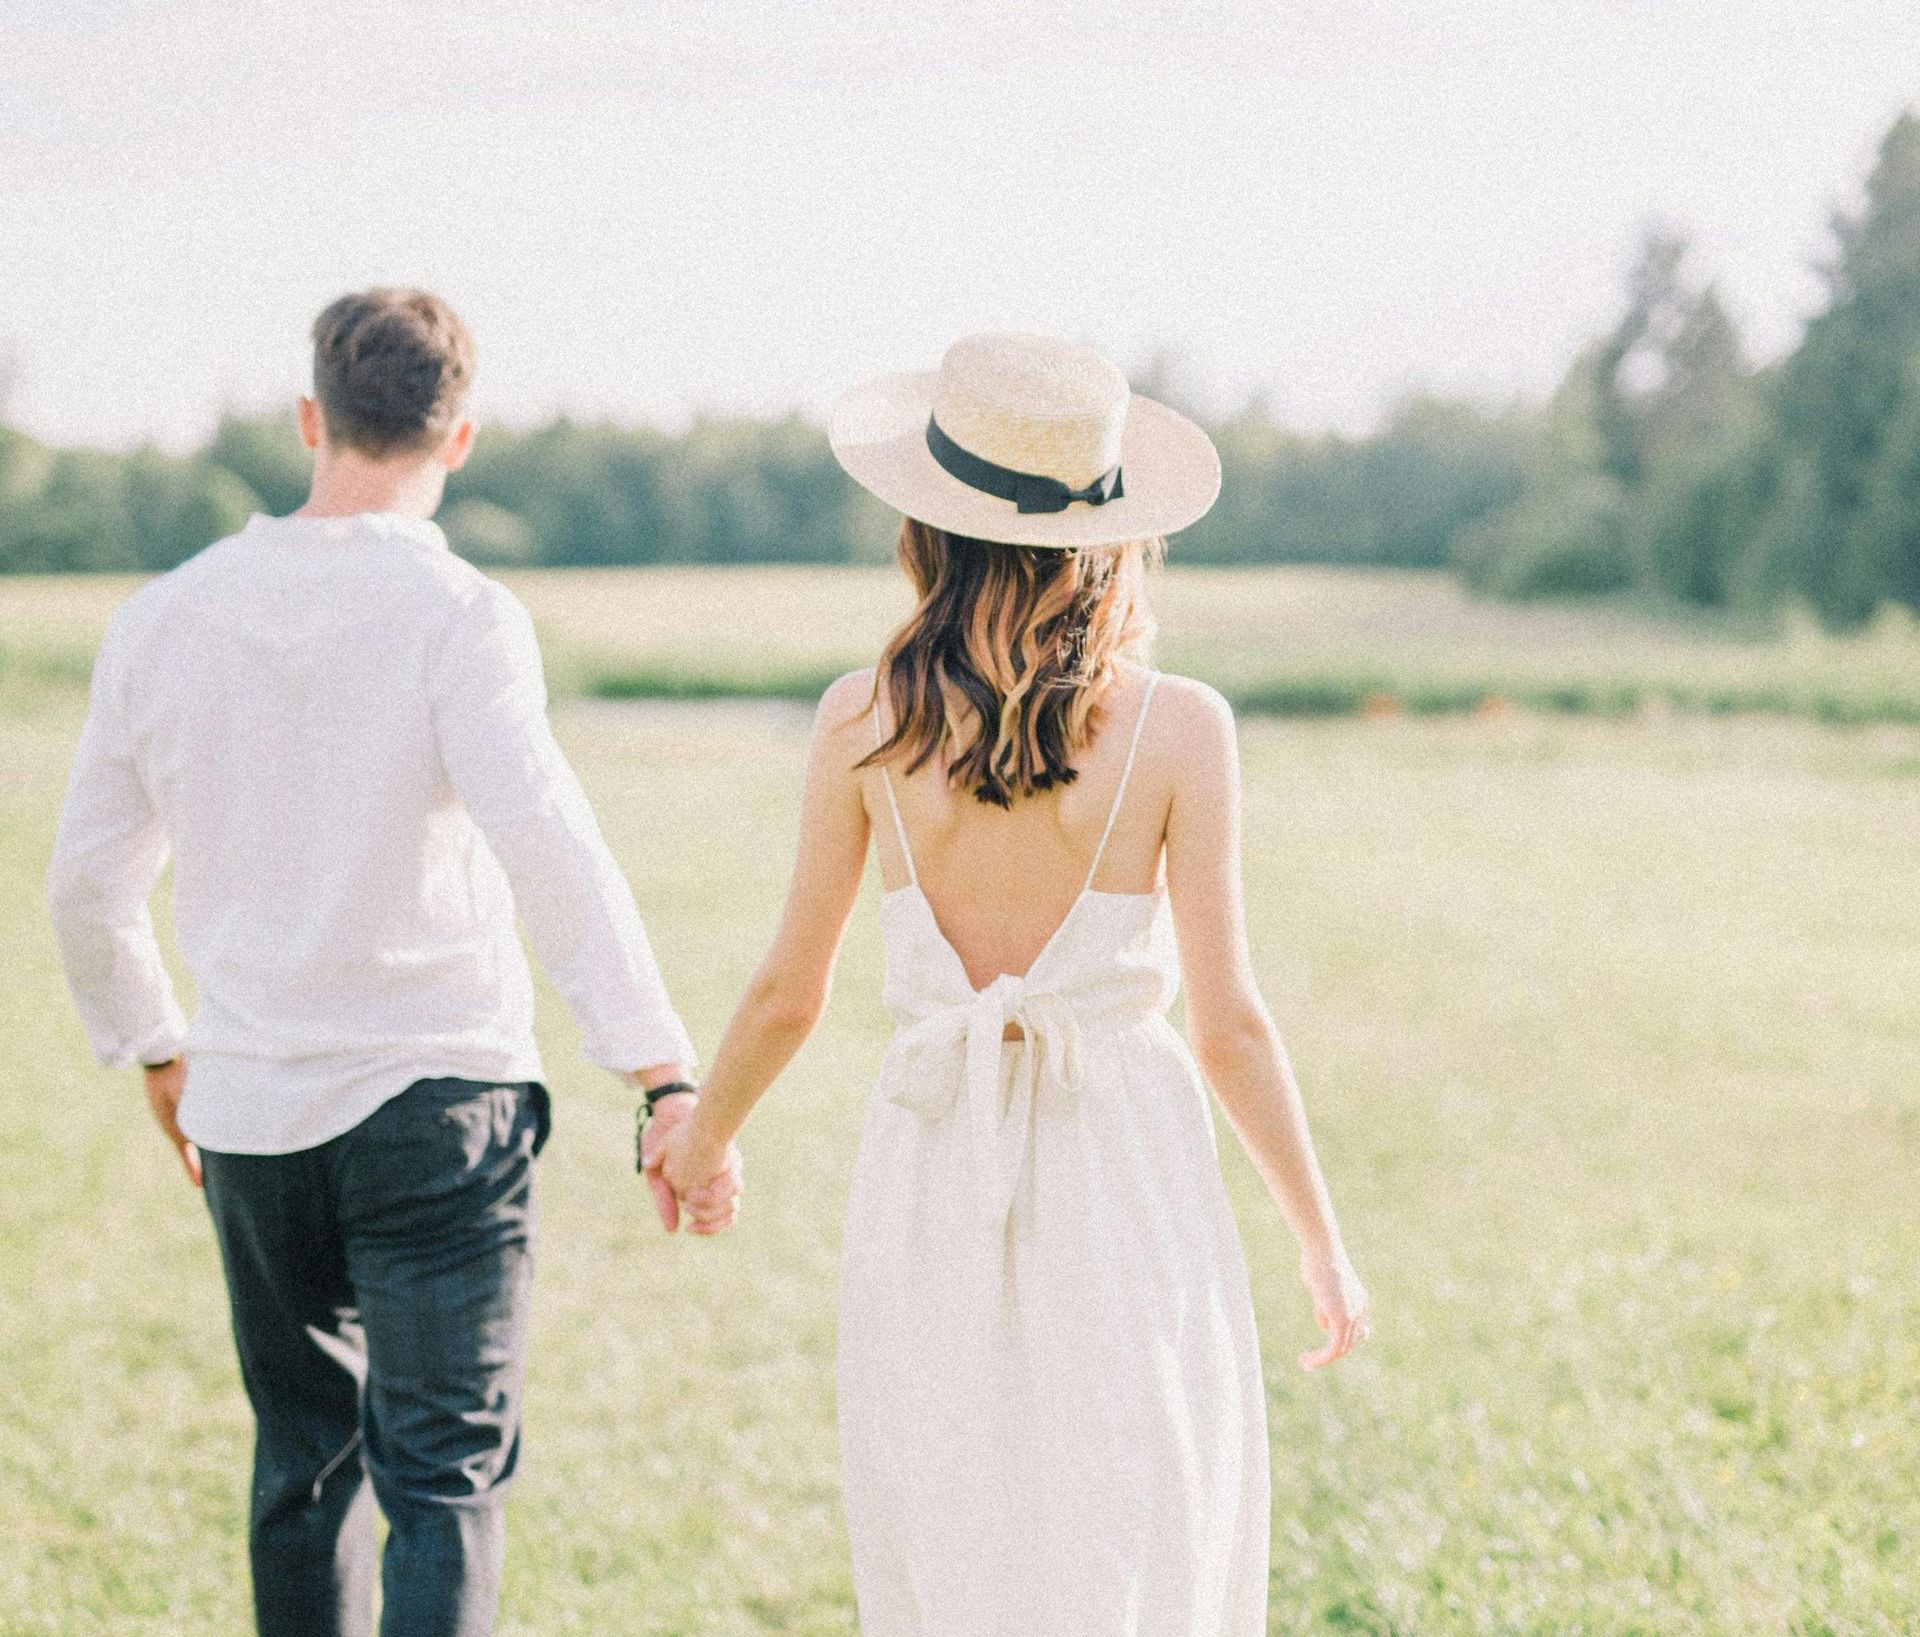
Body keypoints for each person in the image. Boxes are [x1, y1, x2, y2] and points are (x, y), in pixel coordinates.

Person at [649, 331, 1368, 1633]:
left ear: (928, 526)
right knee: (1137, 1505)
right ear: (1106, 534)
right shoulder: (1181, 729)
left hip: (931, 1164)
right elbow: (1231, 1024)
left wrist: (698, 1141)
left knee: (952, 1502)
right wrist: (1319, 1238)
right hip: (1124, 1161)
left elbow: (785, 994)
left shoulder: (861, 719)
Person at [46, 287, 738, 1637]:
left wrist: (157, 1043)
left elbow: (86, 885)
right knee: (443, 1482)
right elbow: (548, 838)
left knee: (304, 1474)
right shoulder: (459, 613)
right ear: (461, 437)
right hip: (439, 1107)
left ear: (312, 417)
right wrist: (659, 1070)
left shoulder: (164, 617)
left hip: (248, 1114)